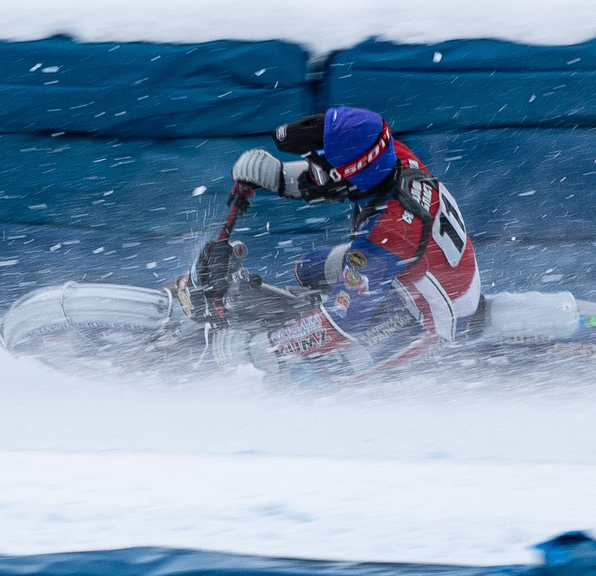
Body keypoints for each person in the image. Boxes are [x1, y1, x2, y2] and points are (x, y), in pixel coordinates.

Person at [181, 106, 481, 382]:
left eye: (319, 165)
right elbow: (338, 177)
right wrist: (279, 176)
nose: (314, 170)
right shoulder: (392, 155)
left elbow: (340, 327)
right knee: (306, 269)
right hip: (413, 267)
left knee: (316, 378)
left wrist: (257, 347)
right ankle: (316, 316)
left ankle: (316, 343)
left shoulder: (387, 234)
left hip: (432, 316)